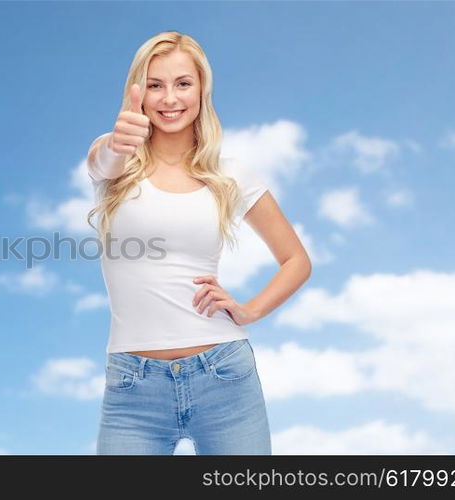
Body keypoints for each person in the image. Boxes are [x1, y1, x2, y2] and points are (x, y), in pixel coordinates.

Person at [87, 31, 312, 455]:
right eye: (155, 85)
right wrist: (119, 142)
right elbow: (104, 157)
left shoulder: (232, 175)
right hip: (133, 389)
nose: (169, 98)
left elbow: (296, 259)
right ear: (139, 92)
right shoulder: (114, 163)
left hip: (224, 377)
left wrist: (250, 310)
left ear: (202, 89)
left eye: (182, 83)